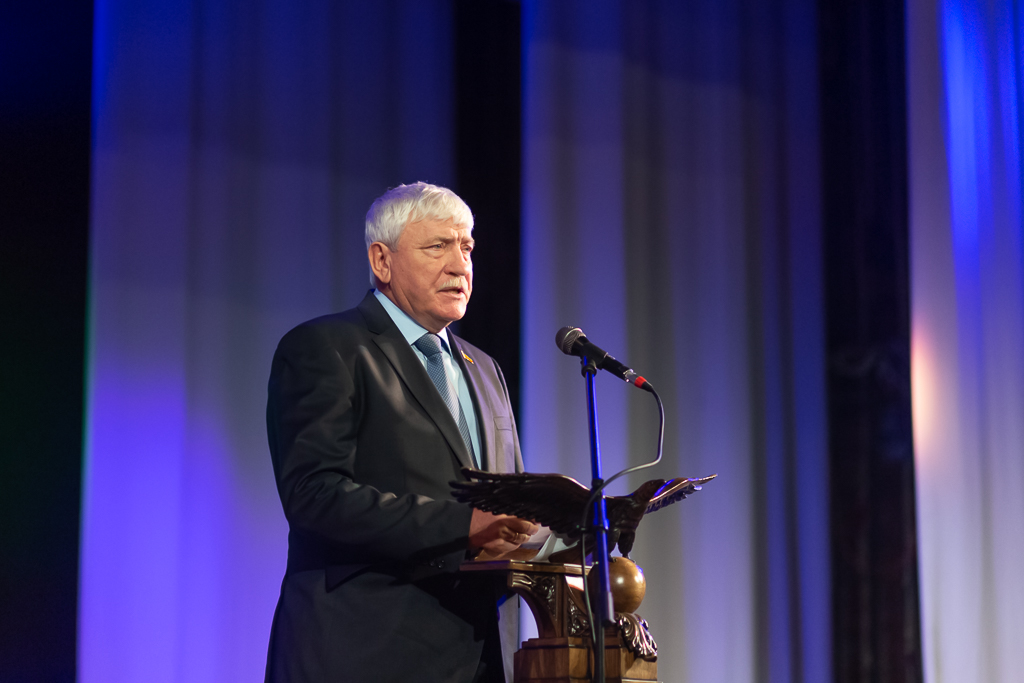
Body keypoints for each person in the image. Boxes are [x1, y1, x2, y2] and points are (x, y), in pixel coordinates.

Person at [264, 182, 538, 683]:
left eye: (467, 247)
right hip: (364, 651)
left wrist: (543, 526)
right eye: (438, 246)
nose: (460, 265)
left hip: (478, 657)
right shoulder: (326, 347)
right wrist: (463, 525)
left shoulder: (484, 368)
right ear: (382, 261)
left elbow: (503, 500)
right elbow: (314, 495)